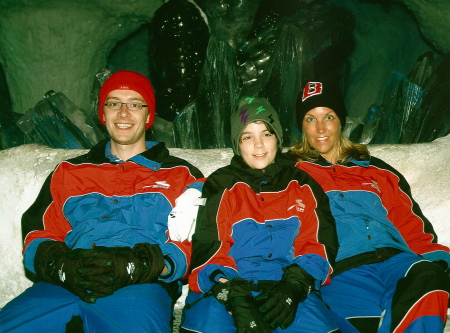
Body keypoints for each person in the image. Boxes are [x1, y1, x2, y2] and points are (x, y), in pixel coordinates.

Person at [0, 70, 205, 333]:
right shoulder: (68, 171)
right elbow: (39, 230)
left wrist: (142, 266)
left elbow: (197, 239)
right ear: (102, 113)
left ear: (148, 115)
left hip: (140, 285)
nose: (123, 112)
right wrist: (62, 266)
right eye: (113, 103)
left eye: (134, 104)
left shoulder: (182, 175)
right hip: (67, 280)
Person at [290, 80, 450, 333]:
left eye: (328, 117)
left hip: (397, 262)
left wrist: (436, 260)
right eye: (310, 119)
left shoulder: (378, 170)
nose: (320, 128)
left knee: (430, 278)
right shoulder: (289, 171)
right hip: (341, 271)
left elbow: (409, 222)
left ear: (340, 121)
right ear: (301, 126)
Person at [180, 96, 342, 333]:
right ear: (237, 143)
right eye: (248, 137)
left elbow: (319, 242)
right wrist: (234, 295)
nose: (259, 145)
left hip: (286, 284)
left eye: (266, 134)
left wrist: (294, 286)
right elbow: (210, 247)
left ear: (278, 138)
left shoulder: (303, 184)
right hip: (229, 287)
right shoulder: (221, 184)